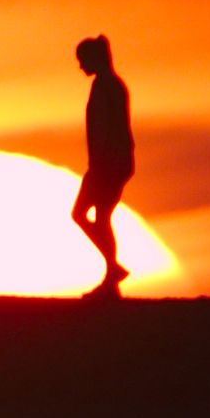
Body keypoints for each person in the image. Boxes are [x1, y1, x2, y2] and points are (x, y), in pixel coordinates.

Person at [72, 34, 135, 300]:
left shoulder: (108, 86)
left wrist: (105, 164)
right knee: (95, 217)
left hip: (109, 163)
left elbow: (113, 128)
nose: (80, 66)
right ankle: (112, 276)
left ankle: (112, 272)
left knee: (85, 214)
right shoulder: (107, 85)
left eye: (82, 60)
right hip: (108, 162)